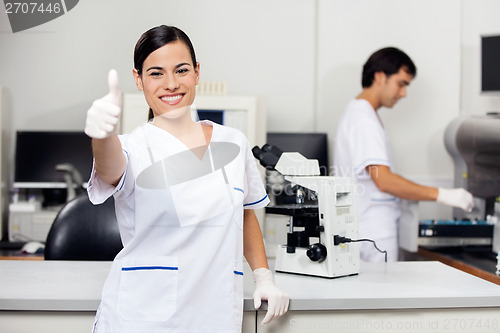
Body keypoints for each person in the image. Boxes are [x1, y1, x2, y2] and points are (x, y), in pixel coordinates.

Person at [84, 25, 289, 333]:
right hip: (140, 318)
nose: (171, 83)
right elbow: (110, 167)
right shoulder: (132, 146)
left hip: (215, 315)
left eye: (181, 70)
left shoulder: (232, 142)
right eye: (155, 73)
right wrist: (103, 135)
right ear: (138, 79)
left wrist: (263, 276)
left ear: (196, 72)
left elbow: (245, 215)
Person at [333, 47, 474, 262]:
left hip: (365, 230)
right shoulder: (364, 121)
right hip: (373, 235)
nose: (403, 94)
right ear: (380, 77)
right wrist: (444, 195)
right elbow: (385, 181)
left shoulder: (358, 113)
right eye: (401, 84)